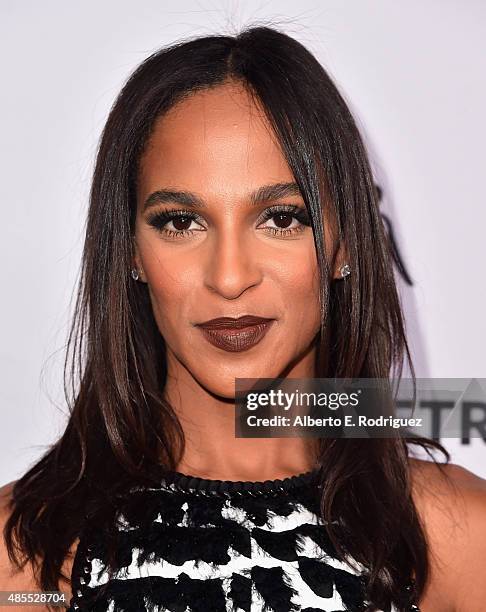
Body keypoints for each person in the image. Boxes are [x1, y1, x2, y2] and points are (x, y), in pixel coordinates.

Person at [1, 24, 486, 612]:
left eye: (281, 218)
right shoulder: (24, 557)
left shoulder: (459, 542)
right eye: (181, 222)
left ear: (345, 243)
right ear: (130, 250)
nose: (230, 277)